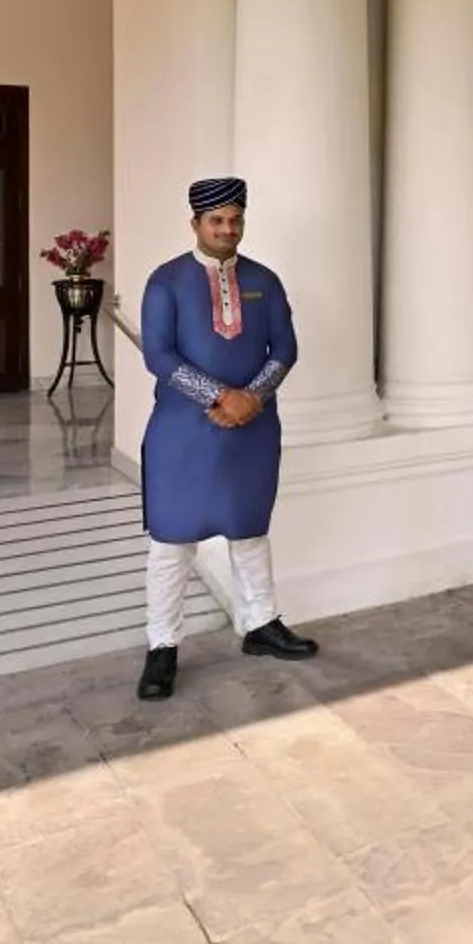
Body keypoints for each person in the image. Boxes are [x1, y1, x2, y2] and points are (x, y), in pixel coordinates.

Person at [136, 175, 319, 700]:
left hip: (252, 429)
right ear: (195, 223)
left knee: (249, 530)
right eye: (216, 220)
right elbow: (160, 356)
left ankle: (261, 624)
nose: (227, 228)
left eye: (235, 219)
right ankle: (162, 649)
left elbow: (284, 349)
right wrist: (221, 397)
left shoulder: (265, 279)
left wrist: (252, 399)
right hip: (183, 430)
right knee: (172, 542)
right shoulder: (165, 282)